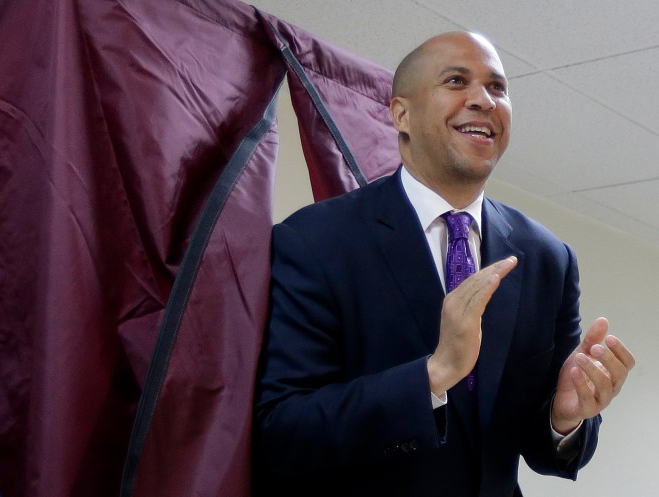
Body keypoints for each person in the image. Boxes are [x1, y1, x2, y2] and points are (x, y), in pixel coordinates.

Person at [253, 31, 635, 497]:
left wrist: (564, 417)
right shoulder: (315, 240)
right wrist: (434, 374)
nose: (484, 100)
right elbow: (283, 432)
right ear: (401, 113)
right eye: (457, 80)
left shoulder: (548, 257)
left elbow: (540, 449)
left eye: (498, 87)